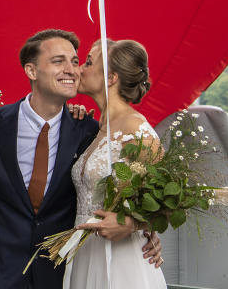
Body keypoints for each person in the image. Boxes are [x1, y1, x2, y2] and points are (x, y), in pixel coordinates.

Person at [0, 29, 162, 289]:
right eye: (59, 61)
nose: (73, 69)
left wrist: (139, 226)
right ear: (32, 71)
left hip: (59, 272)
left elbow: (144, 188)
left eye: (75, 61)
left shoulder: (88, 131)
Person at [62, 38, 167, 289]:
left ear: (111, 78)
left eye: (88, 62)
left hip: (121, 261)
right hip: (85, 254)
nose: (80, 69)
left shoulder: (135, 127)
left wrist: (132, 224)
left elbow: (170, 198)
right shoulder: (96, 128)